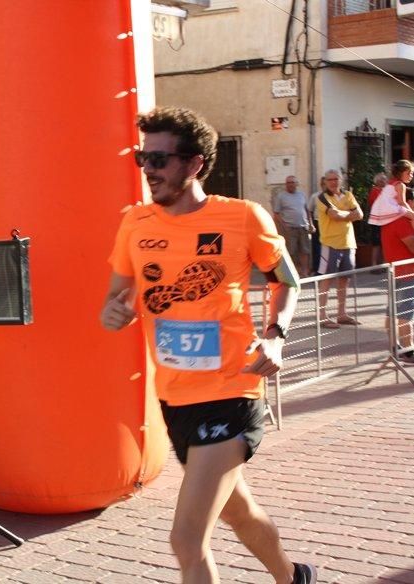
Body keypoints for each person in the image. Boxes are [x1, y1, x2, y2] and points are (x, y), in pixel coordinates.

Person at [100, 106, 316, 584]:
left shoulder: (242, 217)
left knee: (186, 539)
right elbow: (115, 300)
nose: (149, 171)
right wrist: (112, 312)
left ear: (195, 163)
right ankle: (295, 577)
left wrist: (275, 336)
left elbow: (289, 281)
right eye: (143, 159)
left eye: (160, 159)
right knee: (238, 513)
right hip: (175, 397)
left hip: (232, 391)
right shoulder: (135, 224)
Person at [380, 189, 414, 365]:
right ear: (408, 202)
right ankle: (408, 352)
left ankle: (394, 349)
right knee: (405, 315)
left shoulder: (390, 219)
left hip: (397, 271)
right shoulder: (402, 221)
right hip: (406, 272)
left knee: (392, 313)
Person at [315, 170, 363, 328]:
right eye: (330, 179)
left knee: (344, 280)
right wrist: (350, 213)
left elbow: (360, 214)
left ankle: (341, 314)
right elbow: (334, 215)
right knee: (326, 279)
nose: (333, 182)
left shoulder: (348, 195)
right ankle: (322, 316)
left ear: (341, 180)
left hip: (348, 243)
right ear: (325, 182)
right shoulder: (322, 198)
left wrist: (345, 214)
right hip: (330, 244)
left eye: (336, 179)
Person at [273, 175, 313, 277]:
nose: (291, 184)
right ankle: (292, 272)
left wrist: (311, 223)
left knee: (305, 251)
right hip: (290, 229)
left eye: (292, 182)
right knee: (291, 252)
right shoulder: (281, 196)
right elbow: (276, 214)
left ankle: (304, 272)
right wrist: (284, 225)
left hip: (303, 227)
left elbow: (307, 210)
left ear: (296, 184)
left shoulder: (302, 195)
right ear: (286, 184)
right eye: (288, 183)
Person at [367, 161, 414, 233]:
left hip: (381, 209)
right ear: (401, 173)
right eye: (409, 173)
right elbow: (402, 202)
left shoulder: (390, 182)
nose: (411, 176)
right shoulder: (401, 185)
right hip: (390, 208)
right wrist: (412, 212)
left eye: (412, 174)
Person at [366, 173, 387, 265]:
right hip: (377, 220)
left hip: (385, 220)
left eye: (384, 179)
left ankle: (384, 263)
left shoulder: (386, 191)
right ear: (377, 181)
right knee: (376, 243)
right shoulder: (374, 191)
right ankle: (374, 264)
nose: (384, 181)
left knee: (384, 243)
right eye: (381, 179)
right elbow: (375, 203)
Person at [307, 177, 325, 275]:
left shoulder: (333, 197)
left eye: (325, 183)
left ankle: (328, 268)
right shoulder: (315, 196)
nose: (324, 186)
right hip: (317, 223)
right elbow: (309, 211)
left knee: (328, 247)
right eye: (322, 184)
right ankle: (317, 269)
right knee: (317, 247)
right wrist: (311, 224)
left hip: (329, 224)